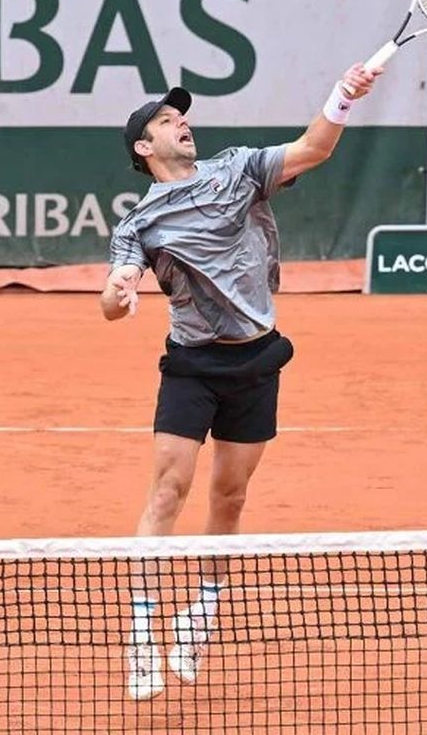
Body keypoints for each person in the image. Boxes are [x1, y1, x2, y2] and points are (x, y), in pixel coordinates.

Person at [102, 64, 382, 699]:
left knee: (229, 498)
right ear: (145, 148)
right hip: (193, 364)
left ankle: (199, 613)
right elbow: (110, 303)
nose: (183, 124)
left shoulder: (239, 169)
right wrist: (120, 292)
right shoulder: (139, 225)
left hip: (256, 360)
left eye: (182, 117)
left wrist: (341, 94)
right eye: (168, 121)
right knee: (168, 490)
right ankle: (143, 635)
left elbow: (314, 148)